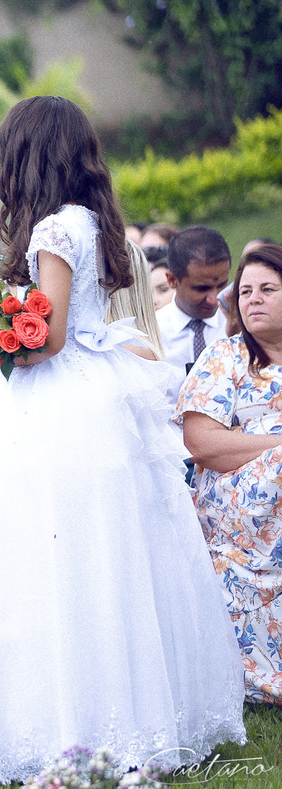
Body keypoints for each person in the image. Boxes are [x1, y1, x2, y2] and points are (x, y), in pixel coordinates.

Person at [0, 96, 245, 787]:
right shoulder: (92, 220)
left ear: (27, 155)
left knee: (37, 553)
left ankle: (54, 716)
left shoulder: (54, 229)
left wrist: (0, 340)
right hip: (98, 391)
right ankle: (130, 709)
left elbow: (48, 338)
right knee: (107, 556)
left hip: (56, 396)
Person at [179, 242, 282, 708]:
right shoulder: (226, 357)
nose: (253, 298)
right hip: (238, 503)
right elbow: (203, 444)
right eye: (245, 291)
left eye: (267, 289)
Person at [155, 225, 231, 371]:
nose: (214, 299)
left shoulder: (242, 325)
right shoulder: (152, 335)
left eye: (222, 285)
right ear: (172, 280)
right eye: (202, 289)